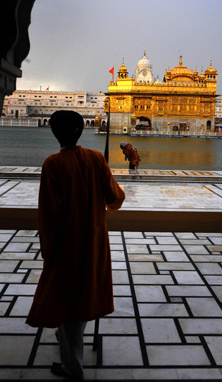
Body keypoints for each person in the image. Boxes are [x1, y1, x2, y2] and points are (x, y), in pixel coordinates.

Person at [26, 110, 125, 380]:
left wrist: (48, 248)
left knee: (68, 297)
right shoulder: (95, 159)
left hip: (66, 245)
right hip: (93, 241)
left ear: (54, 132)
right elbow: (115, 196)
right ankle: (72, 348)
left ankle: (73, 367)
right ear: (81, 131)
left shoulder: (53, 164)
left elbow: (49, 214)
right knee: (84, 290)